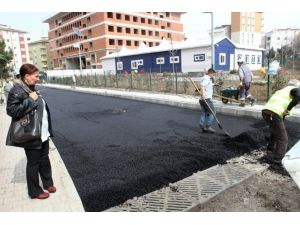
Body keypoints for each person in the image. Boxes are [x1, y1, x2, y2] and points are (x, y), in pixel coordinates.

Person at [6, 63, 56, 200]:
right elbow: (11, 111)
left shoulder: (30, 88)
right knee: (34, 163)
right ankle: (34, 191)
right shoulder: (17, 90)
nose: (38, 78)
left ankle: (48, 183)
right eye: (36, 76)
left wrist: (34, 97)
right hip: (30, 134)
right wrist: (30, 99)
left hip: (42, 132)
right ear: (26, 76)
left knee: (45, 159)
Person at [262, 79, 300, 164]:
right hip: (274, 113)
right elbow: (298, 96)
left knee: (275, 133)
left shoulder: (281, 91)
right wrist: (288, 109)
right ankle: (277, 160)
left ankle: (270, 151)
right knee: (283, 139)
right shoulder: (295, 89)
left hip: (266, 111)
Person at [198, 68, 217, 133]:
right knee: (213, 112)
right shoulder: (207, 78)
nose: (213, 76)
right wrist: (203, 94)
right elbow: (202, 85)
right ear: (210, 73)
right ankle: (208, 126)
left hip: (201, 99)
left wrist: (213, 85)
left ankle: (201, 126)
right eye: (213, 74)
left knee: (204, 112)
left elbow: (204, 84)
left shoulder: (204, 77)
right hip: (207, 99)